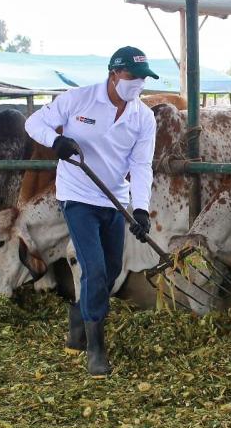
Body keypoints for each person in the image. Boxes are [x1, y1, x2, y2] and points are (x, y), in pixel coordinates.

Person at [25, 46, 158, 375]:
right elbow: (34, 123)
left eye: (143, 78)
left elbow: (141, 165)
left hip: (114, 199)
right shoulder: (78, 100)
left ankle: (79, 313)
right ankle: (95, 348)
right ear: (114, 74)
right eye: (132, 76)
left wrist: (141, 209)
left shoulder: (143, 117)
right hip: (78, 196)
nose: (138, 84)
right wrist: (56, 142)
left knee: (111, 270)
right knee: (95, 269)